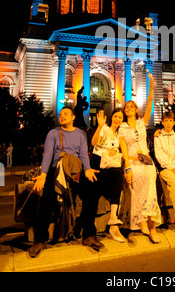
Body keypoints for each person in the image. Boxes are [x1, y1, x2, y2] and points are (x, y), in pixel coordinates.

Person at [28, 107, 100, 258]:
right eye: (61, 115)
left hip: (75, 171)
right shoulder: (53, 133)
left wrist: (87, 169)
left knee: (91, 192)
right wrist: (43, 175)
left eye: (66, 114)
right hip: (57, 170)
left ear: (73, 117)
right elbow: (47, 155)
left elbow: (83, 154)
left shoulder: (81, 134)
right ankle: (40, 239)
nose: (62, 116)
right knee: (47, 197)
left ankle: (89, 235)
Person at [118, 70, 161, 244]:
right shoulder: (121, 127)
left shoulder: (143, 123)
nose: (129, 108)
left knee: (150, 181)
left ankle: (152, 226)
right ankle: (140, 221)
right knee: (134, 183)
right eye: (126, 107)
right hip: (131, 163)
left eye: (132, 106)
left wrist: (151, 86)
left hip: (146, 162)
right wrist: (128, 165)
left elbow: (150, 102)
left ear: (136, 110)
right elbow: (121, 148)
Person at [80, 108, 132, 243]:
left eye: (120, 117)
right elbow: (94, 142)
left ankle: (113, 218)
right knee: (93, 194)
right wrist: (100, 126)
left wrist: (115, 152)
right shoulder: (104, 128)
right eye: (115, 116)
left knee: (118, 176)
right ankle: (90, 233)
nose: (117, 119)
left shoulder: (118, 135)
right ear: (111, 117)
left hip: (110, 166)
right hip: (97, 164)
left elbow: (122, 152)